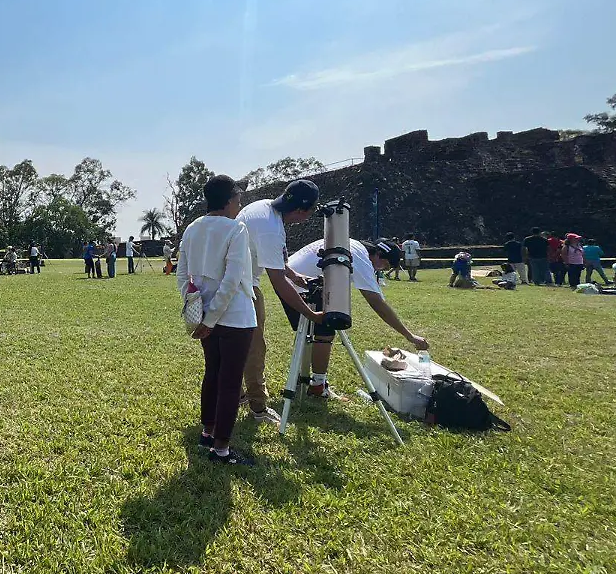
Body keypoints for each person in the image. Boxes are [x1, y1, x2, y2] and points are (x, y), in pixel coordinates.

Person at [176, 175, 258, 466]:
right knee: (230, 382)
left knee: (213, 373)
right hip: (234, 316)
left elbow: (182, 274)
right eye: (237, 199)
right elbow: (233, 278)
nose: (240, 204)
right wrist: (212, 318)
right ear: (228, 201)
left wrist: (197, 307)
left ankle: (207, 431)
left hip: (204, 314)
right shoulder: (236, 228)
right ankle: (221, 449)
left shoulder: (192, 228)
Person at [285, 238, 429, 398]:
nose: (380, 269)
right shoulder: (361, 257)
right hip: (302, 285)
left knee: (307, 336)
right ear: (379, 255)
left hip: (287, 280)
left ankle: (302, 378)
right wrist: (409, 335)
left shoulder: (351, 244)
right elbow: (376, 302)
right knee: (324, 334)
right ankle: (318, 386)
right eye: (384, 265)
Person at [236, 179, 326, 425]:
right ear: (301, 211)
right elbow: (277, 282)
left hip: (233, 282)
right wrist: (311, 313)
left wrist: (295, 276)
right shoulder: (270, 228)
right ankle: (258, 407)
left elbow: (273, 260)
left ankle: (239, 394)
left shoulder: (264, 208)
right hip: (242, 288)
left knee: (238, 345)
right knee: (254, 347)